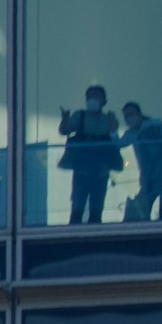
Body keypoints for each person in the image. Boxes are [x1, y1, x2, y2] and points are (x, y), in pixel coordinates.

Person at [58, 85, 124, 224]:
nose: (91, 99)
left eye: (95, 96)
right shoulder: (79, 116)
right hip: (82, 169)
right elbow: (64, 131)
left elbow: (113, 137)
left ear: (104, 101)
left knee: (96, 208)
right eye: (89, 97)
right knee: (77, 208)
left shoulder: (109, 119)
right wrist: (64, 119)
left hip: (100, 171)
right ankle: (72, 238)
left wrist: (112, 122)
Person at [121, 101, 162, 220]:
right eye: (126, 116)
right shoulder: (130, 134)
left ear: (139, 114)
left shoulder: (155, 124)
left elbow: (160, 134)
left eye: (131, 114)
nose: (129, 118)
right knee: (144, 209)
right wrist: (112, 129)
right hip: (150, 178)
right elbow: (118, 144)